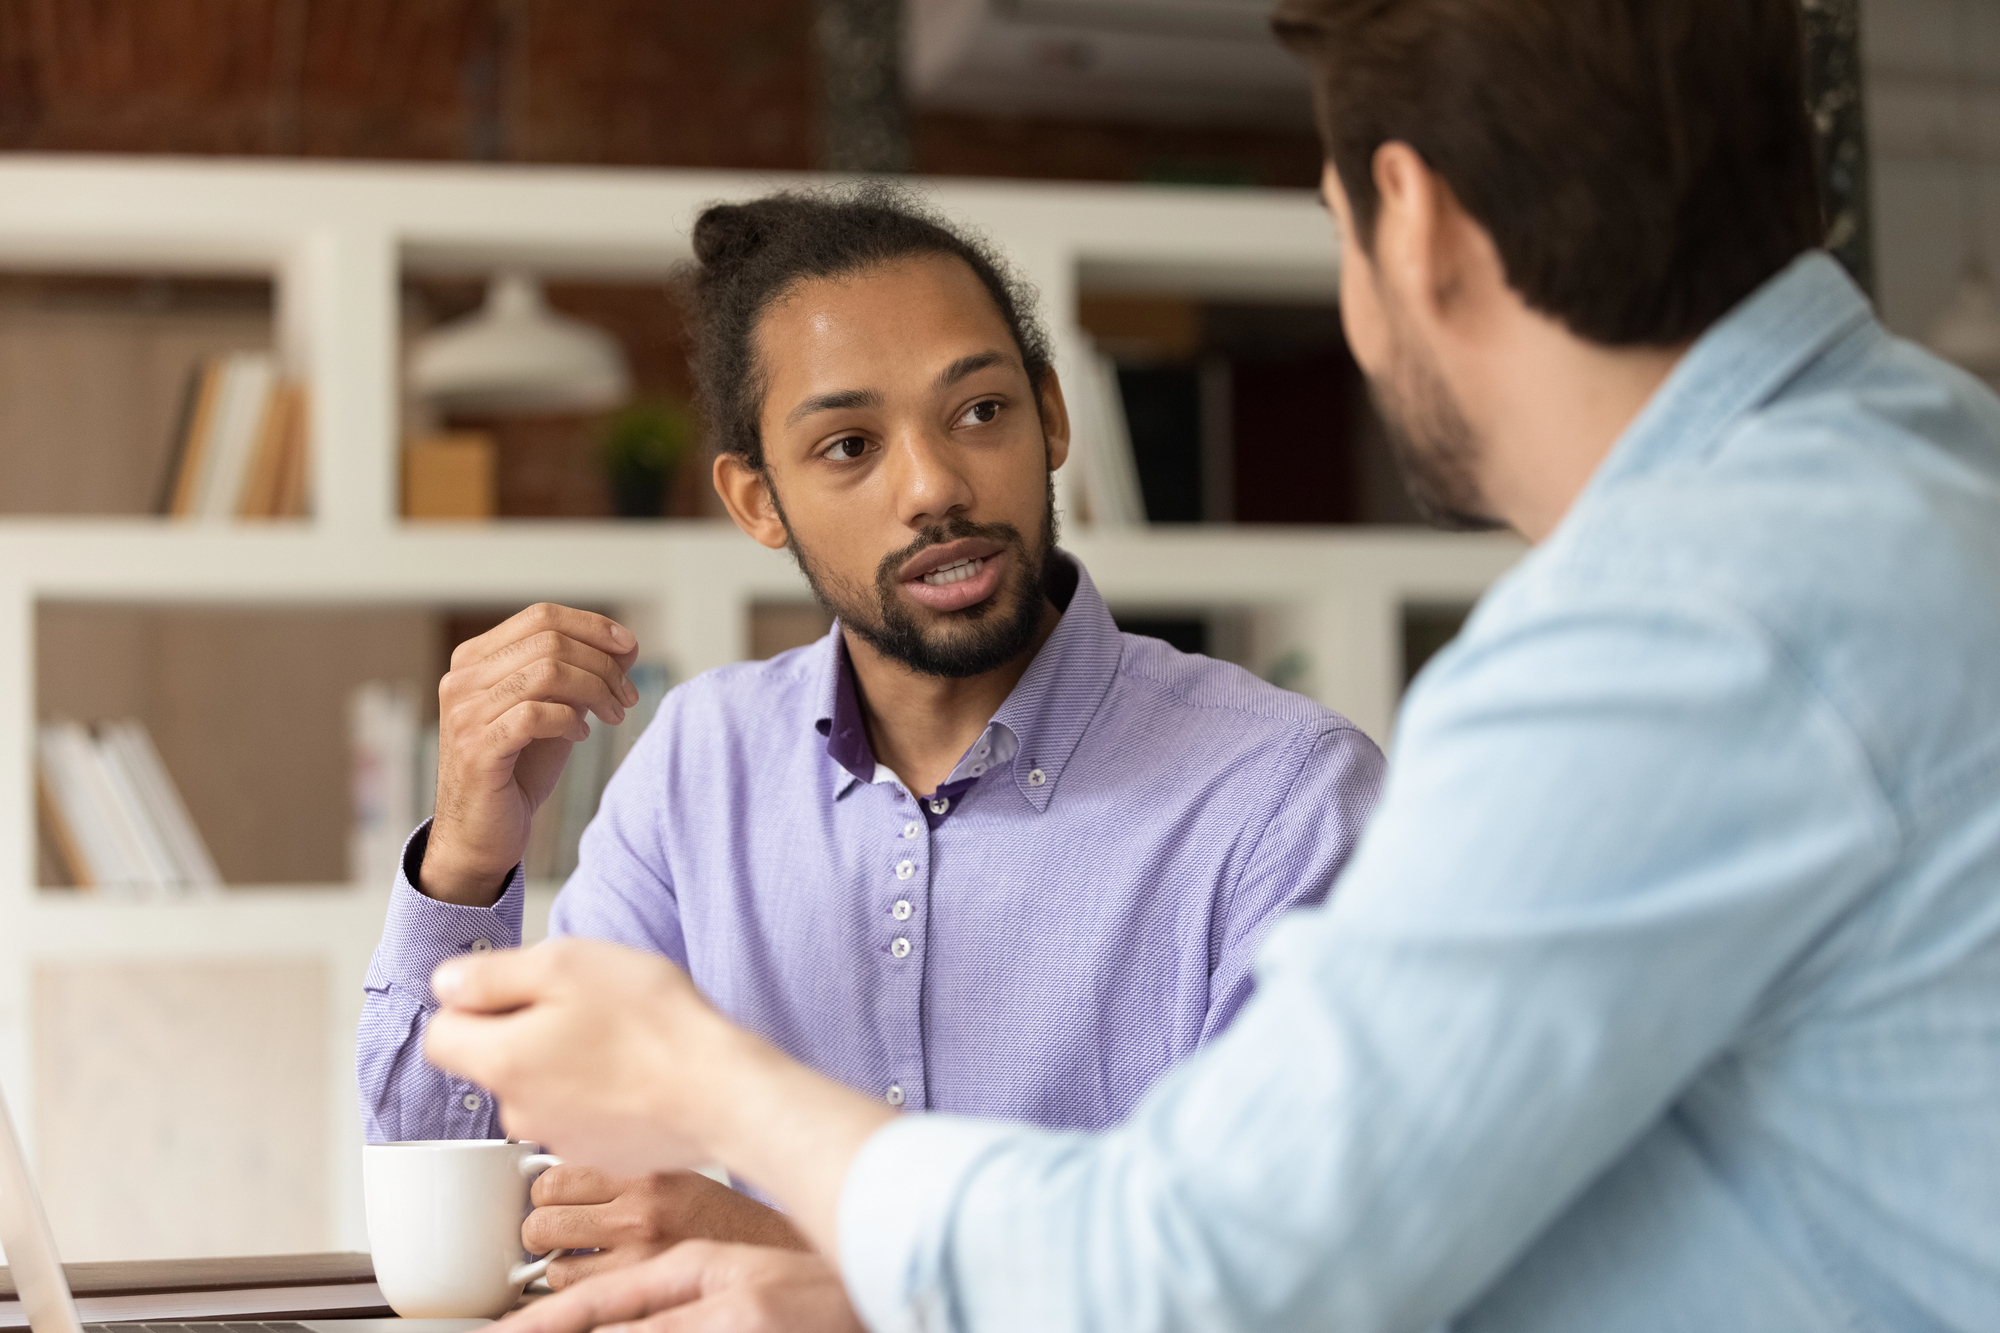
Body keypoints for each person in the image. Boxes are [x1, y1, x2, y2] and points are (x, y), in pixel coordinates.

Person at [421, 0, 2000, 1329]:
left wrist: (717, 1086)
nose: (930, 483)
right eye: (846, 442)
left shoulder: (1675, 630)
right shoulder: (1922, 477)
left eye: (1334, 231)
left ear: (1418, 221)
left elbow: (1213, 1272)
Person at [358, 187, 1384, 1281]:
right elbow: (476, 1238)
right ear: (758, 503)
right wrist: (468, 859)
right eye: (848, 444)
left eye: (981, 411)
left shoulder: (1283, 796)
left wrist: (809, 1262)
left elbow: (1286, 1273)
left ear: (1051, 414)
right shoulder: (697, 765)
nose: (934, 485)